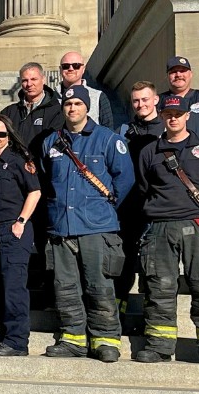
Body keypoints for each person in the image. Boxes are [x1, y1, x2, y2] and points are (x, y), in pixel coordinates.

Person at [41, 85, 134, 363]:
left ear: (87, 107)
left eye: (78, 104)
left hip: (96, 228)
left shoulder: (107, 139)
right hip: (62, 227)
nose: (72, 109)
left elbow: (125, 181)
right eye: (68, 105)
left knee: (99, 286)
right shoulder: (51, 142)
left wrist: (101, 210)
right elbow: (48, 181)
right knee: (65, 287)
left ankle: (106, 340)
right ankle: (73, 338)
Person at [135, 94, 199, 367]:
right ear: (161, 117)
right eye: (168, 115)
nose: (173, 118)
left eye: (178, 114)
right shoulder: (149, 152)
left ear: (187, 116)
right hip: (160, 226)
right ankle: (159, 346)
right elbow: (144, 188)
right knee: (160, 287)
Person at [0, 115, 41, 357]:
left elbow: (34, 192)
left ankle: (17, 341)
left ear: (9, 136)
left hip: (13, 230)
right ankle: (5, 335)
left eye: (1, 134)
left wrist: (21, 221)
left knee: (13, 286)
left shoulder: (19, 160)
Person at [0, 62, 64, 294]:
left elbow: (52, 146)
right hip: (15, 188)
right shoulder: (10, 113)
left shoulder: (56, 110)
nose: (28, 84)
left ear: (43, 80)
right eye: (25, 80)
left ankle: (48, 288)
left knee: (44, 239)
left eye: (33, 79)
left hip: (43, 186)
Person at [115, 81, 165, 305]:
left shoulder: (166, 128)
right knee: (124, 258)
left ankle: (151, 311)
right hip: (129, 205)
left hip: (159, 204)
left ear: (155, 100)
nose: (140, 104)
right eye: (136, 100)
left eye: (145, 99)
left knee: (155, 261)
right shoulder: (124, 131)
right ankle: (120, 308)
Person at [158, 56, 199, 140]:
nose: (178, 75)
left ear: (191, 74)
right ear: (167, 76)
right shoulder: (157, 102)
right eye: (173, 72)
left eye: (182, 71)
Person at [58, 51, 114, 129]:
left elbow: (108, 130)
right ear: (60, 69)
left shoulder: (98, 96)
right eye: (66, 66)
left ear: (83, 69)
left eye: (76, 65)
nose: (71, 69)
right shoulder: (51, 98)